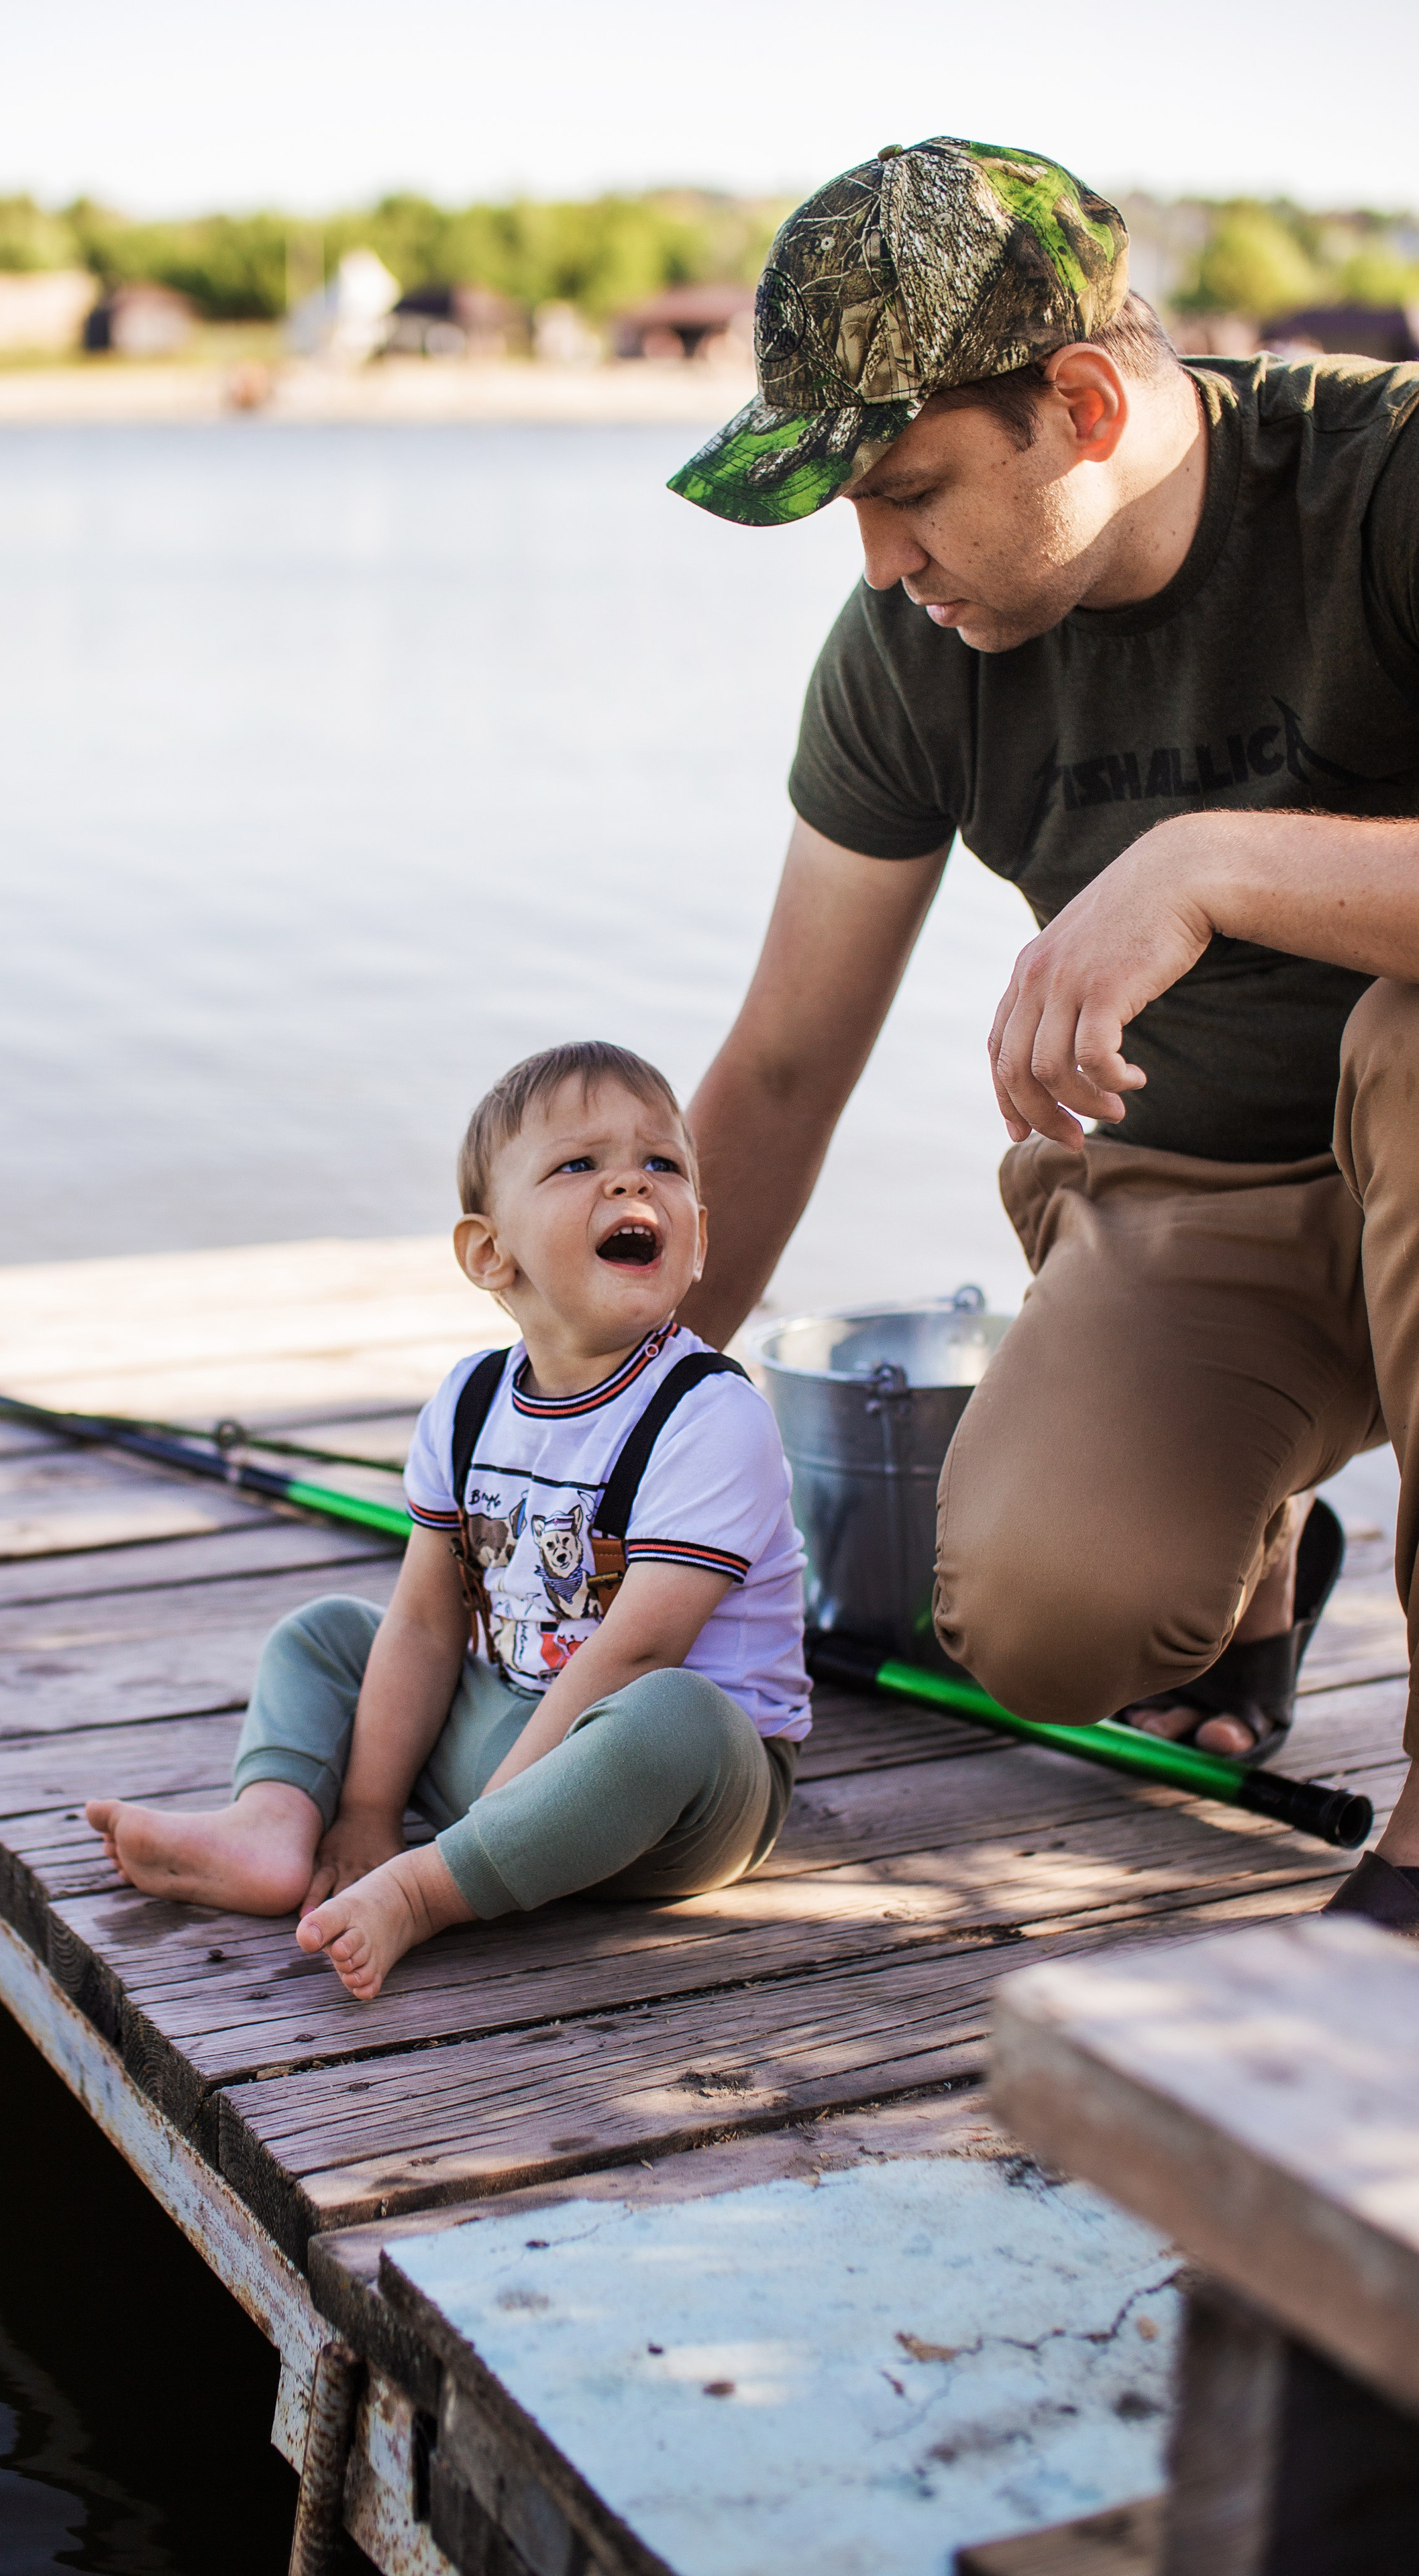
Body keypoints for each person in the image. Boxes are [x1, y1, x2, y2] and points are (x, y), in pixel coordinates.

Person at [668, 135, 1419, 1931]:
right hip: (1203, 1198)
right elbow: (782, 1062)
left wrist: (1216, 861)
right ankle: (1252, 1572)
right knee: (1045, 1619)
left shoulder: (1387, 485)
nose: (875, 560)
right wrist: (608, 1423)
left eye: (907, 487)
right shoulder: (914, 643)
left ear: (1081, 402)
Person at [86, 1041, 810, 1998]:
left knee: (670, 1714)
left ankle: (428, 1894)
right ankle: (273, 1825)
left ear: (699, 1236)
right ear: (488, 1252)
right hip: (519, 1732)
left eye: (663, 1164)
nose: (632, 1181)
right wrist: (371, 1813)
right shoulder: (471, 1401)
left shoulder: (712, 1415)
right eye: (579, 1164)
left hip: (680, 1798)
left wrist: (476, 1831)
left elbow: (636, 1655)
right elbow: (428, 1623)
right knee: (334, 1635)